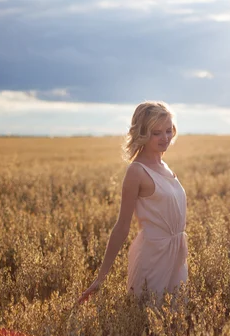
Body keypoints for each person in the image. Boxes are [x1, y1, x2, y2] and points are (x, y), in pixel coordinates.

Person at [77, 101, 188, 303]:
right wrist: (101, 278)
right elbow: (122, 226)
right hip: (153, 257)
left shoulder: (165, 166)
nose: (165, 138)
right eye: (156, 133)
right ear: (142, 134)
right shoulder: (136, 171)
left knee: (175, 323)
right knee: (147, 320)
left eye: (168, 130)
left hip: (176, 255)